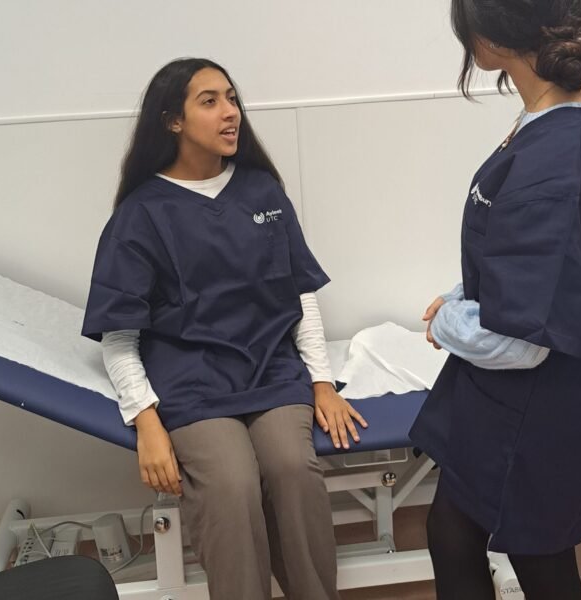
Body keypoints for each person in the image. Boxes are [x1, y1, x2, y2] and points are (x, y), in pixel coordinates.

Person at [81, 57, 366, 600]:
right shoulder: (141, 215)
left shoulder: (262, 193)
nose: (230, 112)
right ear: (172, 121)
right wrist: (146, 422)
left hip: (270, 369)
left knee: (293, 469)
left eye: (231, 99)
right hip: (192, 384)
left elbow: (298, 294)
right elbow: (119, 335)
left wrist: (322, 382)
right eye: (209, 101)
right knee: (232, 486)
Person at [410, 1, 581, 598]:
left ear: (488, 38)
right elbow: (537, 256)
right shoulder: (569, 103)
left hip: (535, 405)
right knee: (453, 532)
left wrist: (449, 321)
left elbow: (519, 340)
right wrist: (465, 292)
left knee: (536, 557)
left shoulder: (559, 155)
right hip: (519, 394)